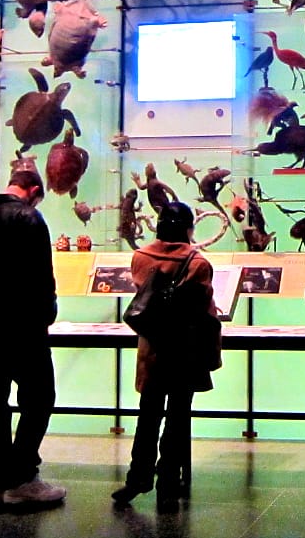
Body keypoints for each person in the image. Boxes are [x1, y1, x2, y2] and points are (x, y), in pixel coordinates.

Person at [0, 167, 65, 508]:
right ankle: (22, 476)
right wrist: (47, 313)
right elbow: (42, 276)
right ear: (33, 190)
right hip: (25, 325)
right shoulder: (30, 219)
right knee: (40, 397)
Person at [112, 201, 221, 513]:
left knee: (147, 415)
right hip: (185, 350)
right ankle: (168, 483)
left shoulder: (140, 257)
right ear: (189, 229)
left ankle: (138, 478)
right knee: (178, 418)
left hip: (152, 349)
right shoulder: (198, 263)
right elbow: (202, 309)